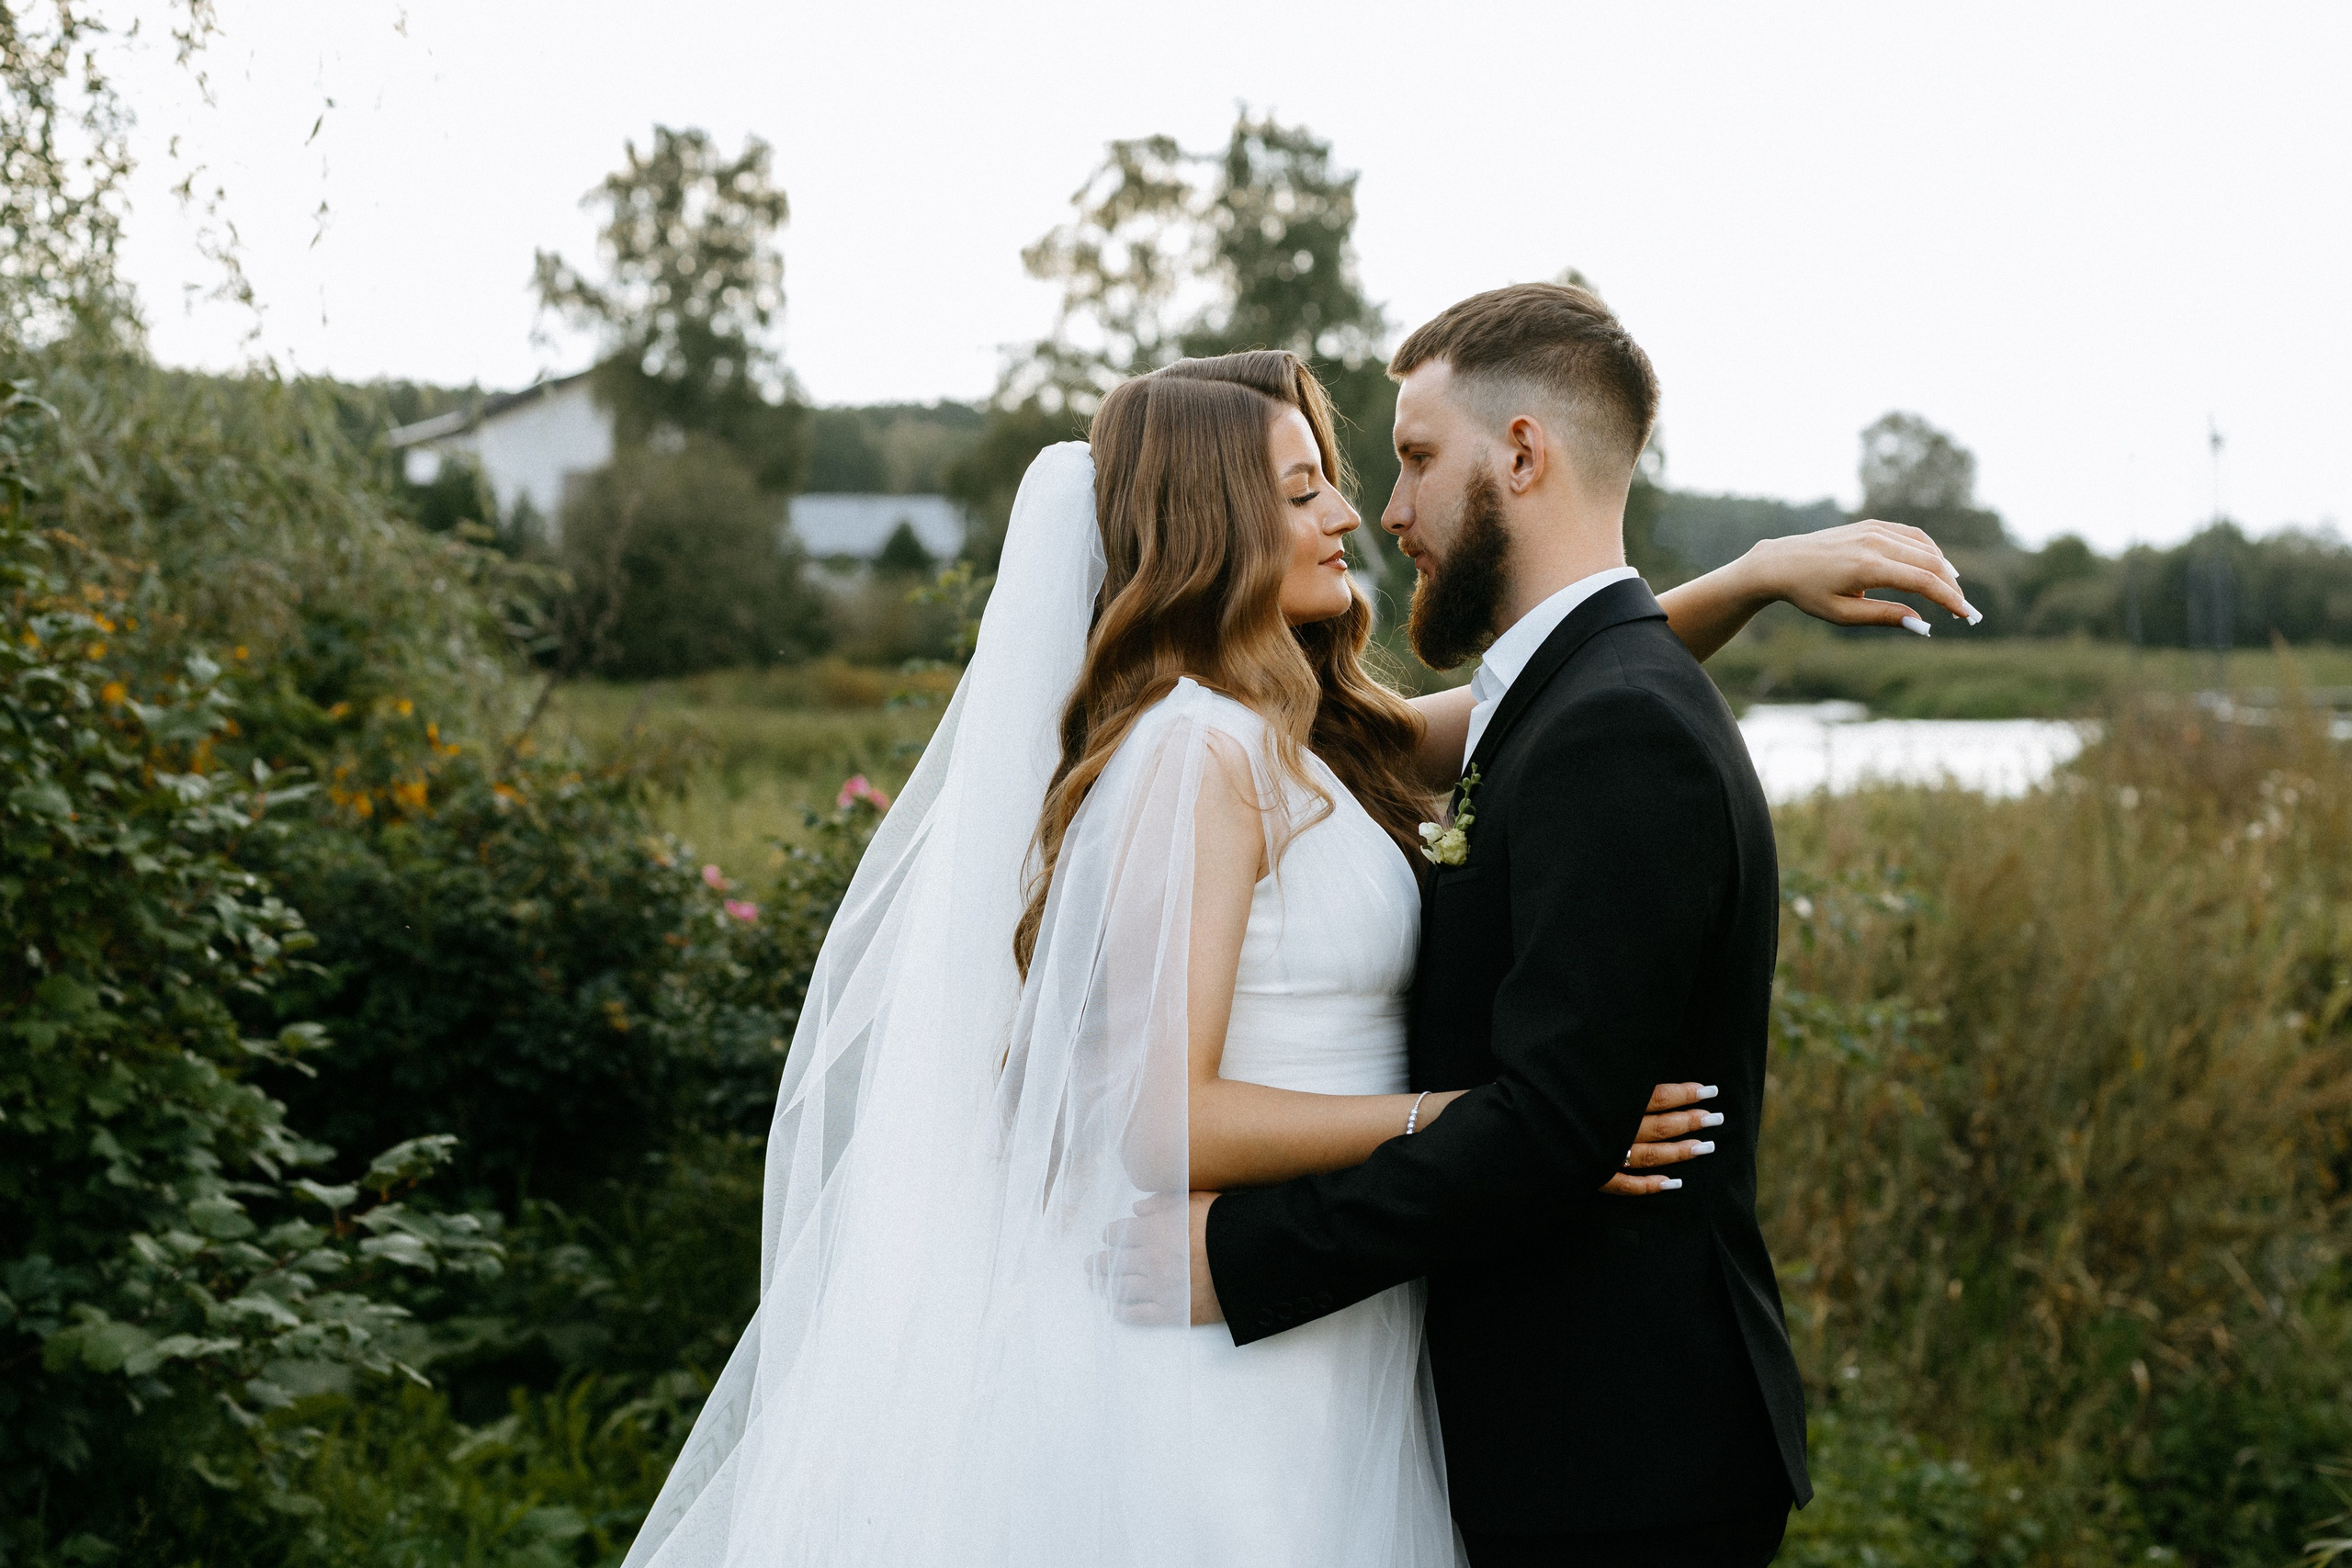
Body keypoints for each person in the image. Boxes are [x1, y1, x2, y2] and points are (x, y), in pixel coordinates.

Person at [620, 305, 1970, 1567]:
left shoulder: (1307, 738)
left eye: (1357, 471)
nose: (1356, 516)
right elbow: (1159, 1117)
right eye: (1306, 485)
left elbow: (1558, 691)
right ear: (1215, 520)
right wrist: (1480, 1121)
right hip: (1231, 1348)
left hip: (1353, 1334)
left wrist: (1752, 577)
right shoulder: (1200, 756)